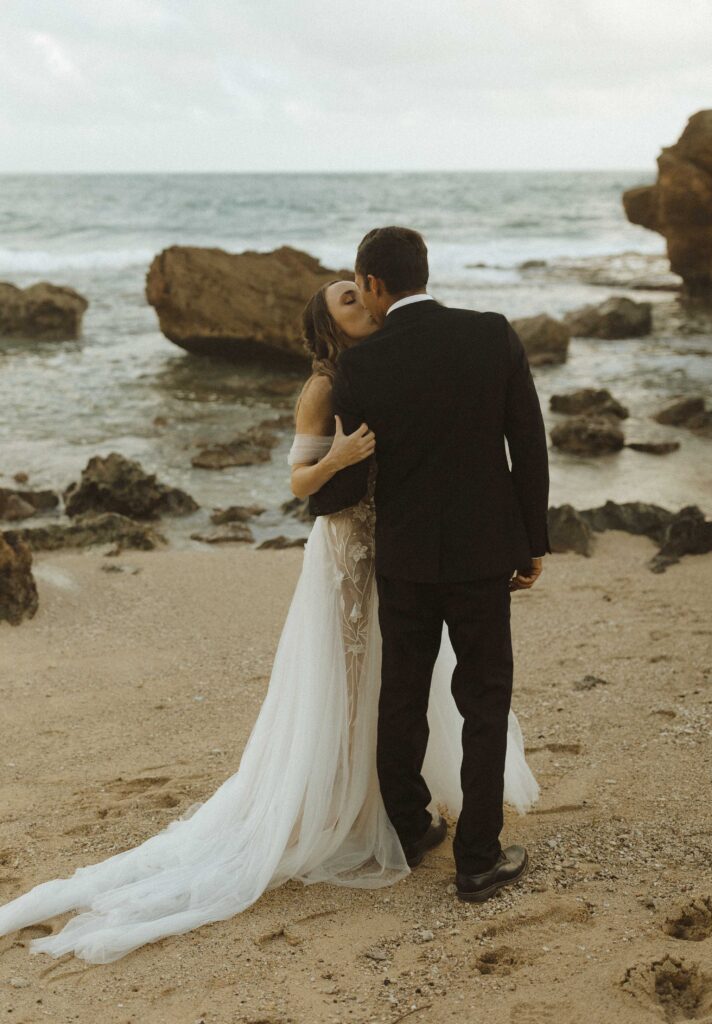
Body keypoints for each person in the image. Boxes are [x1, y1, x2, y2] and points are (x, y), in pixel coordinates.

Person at [0, 266, 541, 966]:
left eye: (360, 289)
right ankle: (366, 812)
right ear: (329, 326)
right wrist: (339, 457)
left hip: (401, 550)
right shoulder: (324, 386)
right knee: (358, 685)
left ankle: (400, 813)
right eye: (346, 300)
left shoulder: (393, 359)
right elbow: (298, 483)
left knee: (399, 683)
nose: (361, 300)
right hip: (351, 548)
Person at [308, 226, 551, 902]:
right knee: (483, 697)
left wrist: (310, 489)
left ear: (377, 284)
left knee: (403, 694)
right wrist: (531, 541)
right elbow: (526, 444)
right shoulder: (490, 333)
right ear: (422, 272)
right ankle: (477, 856)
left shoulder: (358, 368)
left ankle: (411, 829)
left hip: (405, 554)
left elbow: (354, 480)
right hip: (481, 552)